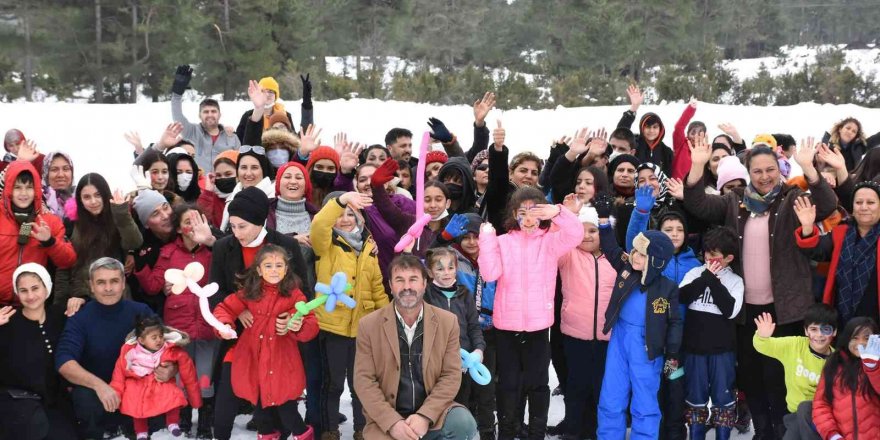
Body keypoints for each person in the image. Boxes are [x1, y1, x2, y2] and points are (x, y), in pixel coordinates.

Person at [683, 134, 838, 440]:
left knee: (781, 375)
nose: (764, 176)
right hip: (746, 310)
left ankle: (783, 431)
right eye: (757, 171)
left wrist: (810, 170)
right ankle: (762, 430)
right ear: (748, 172)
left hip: (786, 308)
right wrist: (698, 166)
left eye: (770, 170)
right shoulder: (733, 201)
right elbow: (698, 203)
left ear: (778, 170)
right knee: (752, 376)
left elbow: (828, 203)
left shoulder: (792, 199)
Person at [478, 188, 582, 439]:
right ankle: (507, 431)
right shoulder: (502, 242)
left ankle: (536, 433)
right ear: (514, 214)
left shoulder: (549, 241)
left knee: (538, 385)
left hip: (538, 327)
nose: (527, 218)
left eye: (534, 212)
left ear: (541, 214)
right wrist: (487, 239)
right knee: (508, 385)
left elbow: (576, 234)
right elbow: (490, 274)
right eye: (522, 212)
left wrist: (558, 212)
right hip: (507, 327)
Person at [353, 254, 479, 439]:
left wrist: (424, 416)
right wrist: (393, 423)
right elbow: (364, 381)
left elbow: (451, 375)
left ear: (424, 284)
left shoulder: (447, 322)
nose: (407, 287)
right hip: (389, 415)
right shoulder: (369, 325)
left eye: (413, 279)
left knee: (463, 423)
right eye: (399, 280)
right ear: (390, 285)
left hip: (434, 414)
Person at [56, 258, 180, 439]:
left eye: (114, 281)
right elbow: (64, 362)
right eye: (101, 282)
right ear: (91, 286)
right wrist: (100, 386)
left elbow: (169, 348)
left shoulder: (141, 311)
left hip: (137, 391)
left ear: (123, 283)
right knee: (84, 397)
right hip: (97, 395)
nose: (108, 288)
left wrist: (171, 368)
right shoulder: (80, 318)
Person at [595, 203, 683, 440]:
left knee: (645, 400)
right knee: (611, 396)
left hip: (647, 346)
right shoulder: (627, 270)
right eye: (634, 250)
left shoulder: (667, 288)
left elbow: (675, 321)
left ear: (655, 260)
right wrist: (604, 221)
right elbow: (611, 248)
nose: (634, 256)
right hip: (620, 339)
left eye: (642, 254)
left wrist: (672, 351)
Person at [213, 244, 319, 440]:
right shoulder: (249, 292)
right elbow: (224, 309)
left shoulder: (294, 294)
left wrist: (295, 324)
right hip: (254, 357)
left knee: (287, 407)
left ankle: (303, 434)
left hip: (281, 358)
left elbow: (310, 321)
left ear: (286, 269)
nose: (274, 270)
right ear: (259, 270)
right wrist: (225, 326)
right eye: (268, 266)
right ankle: (267, 434)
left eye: (279, 265)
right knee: (260, 407)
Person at [134, 203, 218, 438]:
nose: (193, 226)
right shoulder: (169, 252)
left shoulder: (212, 253)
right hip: (178, 327)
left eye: (197, 220)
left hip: (206, 323)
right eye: (187, 222)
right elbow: (152, 285)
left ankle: (204, 421)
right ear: (179, 228)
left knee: (205, 374)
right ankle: (183, 418)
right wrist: (140, 264)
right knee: (182, 373)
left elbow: (223, 281)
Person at [311, 190, 389, 440]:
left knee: (361, 385)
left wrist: (386, 319)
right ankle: (329, 429)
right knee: (333, 383)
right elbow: (320, 224)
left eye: (350, 214)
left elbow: (377, 287)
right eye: (340, 214)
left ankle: (361, 429)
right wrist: (341, 200)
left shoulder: (369, 247)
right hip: (333, 327)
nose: (345, 219)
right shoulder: (325, 244)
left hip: (363, 329)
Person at [0, 264, 82, 440]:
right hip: (16, 401)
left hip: (53, 401)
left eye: (35, 288)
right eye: (23, 290)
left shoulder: (60, 315)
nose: (30, 296)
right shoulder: (6, 320)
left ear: (47, 288)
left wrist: (81, 301)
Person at [677, 227, 744, 440]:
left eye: (714, 255)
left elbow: (730, 310)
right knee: (695, 398)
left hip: (722, 352)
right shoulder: (695, 273)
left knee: (723, 399)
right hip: (693, 350)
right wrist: (706, 276)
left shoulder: (735, 281)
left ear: (728, 258)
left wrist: (713, 280)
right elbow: (682, 296)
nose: (708, 257)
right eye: (706, 252)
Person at [556, 205, 616, 440]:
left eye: (594, 230)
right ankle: (572, 431)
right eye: (583, 230)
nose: (588, 235)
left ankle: (594, 431)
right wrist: (567, 216)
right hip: (575, 335)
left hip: (607, 337)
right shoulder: (568, 254)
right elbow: (555, 239)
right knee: (576, 386)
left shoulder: (614, 258)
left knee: (600, 388)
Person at [795, 181, 880, 326]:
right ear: (852, 207)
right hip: (841, 314)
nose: (864, 207)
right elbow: (817, 251)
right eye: (859, 202)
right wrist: (808, 226)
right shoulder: (841, 231)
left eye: (870, 202)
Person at [54, 173, 143, 304]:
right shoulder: (71, 223)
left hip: (116, 295)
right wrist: (59, 305)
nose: (93, 201)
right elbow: (63, 266)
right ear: (79, 199)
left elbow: (134, 242)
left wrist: (121, 213)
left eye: (98, 195)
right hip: (82, 298)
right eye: (87, 197)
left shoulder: (117, 217)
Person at [752, 304, 838, 440]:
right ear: (806, 331)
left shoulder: (838, 361)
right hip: (795, 415)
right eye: (813, 329)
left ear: (834, 332)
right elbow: (764, 346)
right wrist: (762, 336)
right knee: (801, 411)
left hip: (824, 418)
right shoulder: (794, 346)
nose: (819, 335)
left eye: (825, 329)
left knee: (805, 408)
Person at [110, 315, 202, 440]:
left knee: (174, 396)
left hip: (160, 382)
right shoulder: (129, 352)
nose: (159, 340)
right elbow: (118, 375)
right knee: (137, 406)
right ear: (141, 340)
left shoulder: (170, 349)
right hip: (138, 383)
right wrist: (116, 397)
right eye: (154, 338)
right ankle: (141, 432)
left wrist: (194, 398)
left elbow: (189, 373)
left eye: (160, 336)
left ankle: (172, 423)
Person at [0, 161, 76, 305]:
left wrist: (50, 242)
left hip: (33, 303)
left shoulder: (48, 221)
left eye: (29, 187)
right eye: (17, 187)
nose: (23, 193)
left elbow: (68, 260)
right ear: (9, 189)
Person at [424, 247, 486, 404]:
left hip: (462, 363)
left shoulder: (465, 294)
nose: (446, 272)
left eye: (450, 268)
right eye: (439, 268)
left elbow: (474, 327)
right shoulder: (426, 295)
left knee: (462, 403)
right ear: (430, 272)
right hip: (435, 364)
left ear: (456, 269)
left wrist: (478, 349)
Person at [813, 318, 880, 440]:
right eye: (855, 338)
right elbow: (821, 404)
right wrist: (833, 435)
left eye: (866, 338)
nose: (860, 343)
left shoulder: (877, 363)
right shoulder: (834, 363)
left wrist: (873, 368)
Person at [169, 65, 240, 171]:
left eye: (213, 111)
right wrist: (177, 94)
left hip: (223, 184)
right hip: (198, 184)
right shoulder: (191, 132)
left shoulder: (231, 137)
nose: (210, 114)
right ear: (199, 115)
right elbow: (177, 114)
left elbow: (240, 162)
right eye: (206, 112)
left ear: (219, 115)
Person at [617, 84, 673, 175]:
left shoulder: (666, 152)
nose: (651, 131)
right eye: (647, 127)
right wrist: (633, 108)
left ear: (660, 129)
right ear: (642, 128)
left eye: (655, 127)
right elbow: (620, 133)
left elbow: (668, 176)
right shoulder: (634, 143)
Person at [41, 151, 76, 226]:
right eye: (54, 169)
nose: (60, 174)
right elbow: (25, 226)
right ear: (46, 174)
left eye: (66, 169)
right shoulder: (37, 200)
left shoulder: (82, 200)